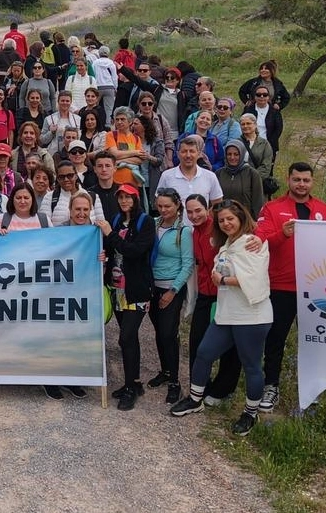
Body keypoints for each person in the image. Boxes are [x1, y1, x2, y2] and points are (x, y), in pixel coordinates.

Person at [170, 201, 273, 436]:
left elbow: (255, 278)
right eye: (221, 220)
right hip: (227, 313)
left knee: (251, 365)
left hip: (251, 316)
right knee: (204, 352)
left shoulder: (252, 242)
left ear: (241, 218)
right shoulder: (227, 244)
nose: (226, 223)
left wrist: (223, 280)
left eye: (230, 219)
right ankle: (195, 399)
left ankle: (250, 413)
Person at [254, 163, 326, 412]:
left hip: (315, 289)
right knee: (275, 339)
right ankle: (271, 385)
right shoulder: (272, 208)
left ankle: (313, 387)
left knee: (314, 340)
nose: (301, 184)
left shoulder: (325, 210)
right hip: (282, 286)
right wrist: (282, 234)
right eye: (297, 179)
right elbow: (260, 241)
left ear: (312, 182)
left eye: (306, 180)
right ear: (288, 180)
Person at [105, 183, 156, 409]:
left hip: (137, 290)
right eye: (121, 197)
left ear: (136, 199)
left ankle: (130, 388)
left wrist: (110, 234)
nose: (124, 201)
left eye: (129, 197)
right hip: (118, 288)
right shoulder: (117, 220)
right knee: (129, 337)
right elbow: (111, 248)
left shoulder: (146, 222)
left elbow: (134, 251)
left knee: (125, 337)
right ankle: (133, 382)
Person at [145, 188, 194, 404]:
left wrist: (173, 291)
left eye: (168, 206)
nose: (163, 210)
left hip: (171, 287)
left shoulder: (184, 232)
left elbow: (188, 264)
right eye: (160, 206)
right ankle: (165, 371)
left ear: (177, 206)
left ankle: (175, 381)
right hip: (152, 286)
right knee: (159, 331)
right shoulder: (153, 224)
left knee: (168, 333)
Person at [157, 135, 223, 207]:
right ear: (178, 154)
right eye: (184, 151)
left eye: (192, 151)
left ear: (199, 154)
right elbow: (159, 203)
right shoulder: (166, 176)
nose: (188, 155)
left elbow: (217, 204)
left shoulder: (210, 176)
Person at [216, 139, 265, 218]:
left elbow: (258, 202)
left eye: (236, 154)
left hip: (246, 220)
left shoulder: (252, 174)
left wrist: (256, 220)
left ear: (242, 154)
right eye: (229, 154)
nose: (232, 157)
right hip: (225, 220)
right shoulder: (219, 174)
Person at [238, 114, 277, 197]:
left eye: (248, 123)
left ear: (255, 125)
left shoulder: (264, 144)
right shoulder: (236, 143)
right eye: (243, 124)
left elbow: (266, 167)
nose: (245, 126)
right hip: (238, 183)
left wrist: (251, 179)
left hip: (257, 184)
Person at [242, 83, 285, 155]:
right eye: (258, 95)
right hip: (249, 144)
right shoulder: (248, 109)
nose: (262, 97)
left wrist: (269, 143)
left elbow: (278, 129)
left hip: (268, 145)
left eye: (265, 95)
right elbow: (242, 125)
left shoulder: (274, 111)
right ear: (254, 97)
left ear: (268, 97)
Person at [91, 44, 118, 119]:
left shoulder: (95, 63)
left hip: (98, 86)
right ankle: (108, 123)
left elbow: (93, 75)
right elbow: (114, 77)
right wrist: (115, 88)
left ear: (99, 53)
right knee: (109, 108)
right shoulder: (111, 63)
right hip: (109, 87)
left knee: (94, 106)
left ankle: (96, 121)